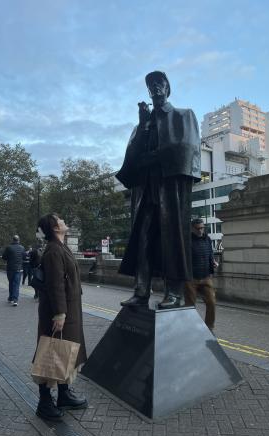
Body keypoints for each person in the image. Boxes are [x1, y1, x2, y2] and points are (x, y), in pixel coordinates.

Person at [116, 70, 201, 309]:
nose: (155, 87)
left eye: (159, 83)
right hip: (146, 189)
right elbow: (131, 157)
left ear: (167, 87)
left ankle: (174, 293)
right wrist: (143, 125)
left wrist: (154, 157)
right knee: (142, 239)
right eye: (151, 84)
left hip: (169, 187)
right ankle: (141, 291)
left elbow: (188, 149)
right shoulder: (141, 124)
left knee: (171, 239)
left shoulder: (184, 115)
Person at [34, 213, 87, 421]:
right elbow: (55, 284)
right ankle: (44, 402)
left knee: (66, 352)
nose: (65, 220)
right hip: (60, 312)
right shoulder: (53, 251)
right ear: (55, 228)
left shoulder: (61, 247)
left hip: (69, 310)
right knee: (52, 352)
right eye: (61, 220)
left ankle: (64, 394)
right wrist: (59, 313)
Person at [184, 218, 218, 331]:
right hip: (191, 279)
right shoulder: (187, 240)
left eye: (202, 228)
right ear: (192, 228)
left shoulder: (207, 239)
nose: (200, 230)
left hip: (206, 277)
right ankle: (189, 328)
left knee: (212, 302)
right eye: (198, 228)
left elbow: (210, 252)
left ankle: (209, 328)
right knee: (190, 305)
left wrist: (213, 261)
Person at [2, 235, 25, 306]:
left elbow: (4, 257)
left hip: (10, 269)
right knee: (16, 284)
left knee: (11, 283)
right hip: (18, 269)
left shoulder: (9, 247)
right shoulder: (22, 248)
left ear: (13, 240)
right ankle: (15, 300)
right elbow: (24, 257)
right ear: (18, 240)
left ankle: (10, 298)